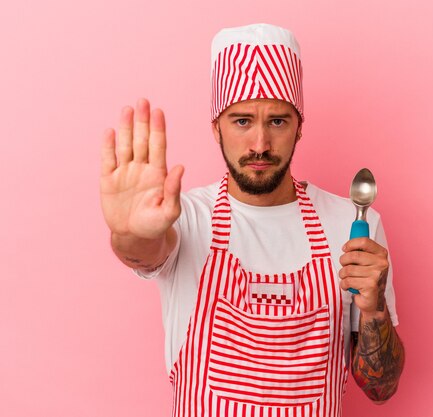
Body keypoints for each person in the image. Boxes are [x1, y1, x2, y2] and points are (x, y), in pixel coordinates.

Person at [100, 23, 404, 416]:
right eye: (242, 121)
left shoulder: (352, 225)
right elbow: (143, 251)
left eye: (277, 121)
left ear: (298, 128)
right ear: (216, 128)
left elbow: (381, 388)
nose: (259, 144)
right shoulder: (185, 218)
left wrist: (375, 308)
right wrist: (127, 234)